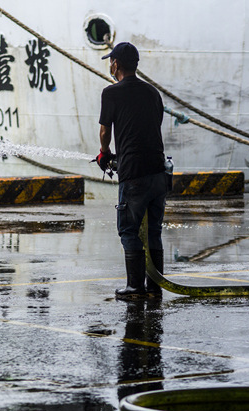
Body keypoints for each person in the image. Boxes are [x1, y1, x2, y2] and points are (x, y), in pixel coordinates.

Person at [97, 42, 167, 300]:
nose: (110, 65)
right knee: (153, 230)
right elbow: (154, 125)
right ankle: (155, 285)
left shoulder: (111, 93)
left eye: (111, 61)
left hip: (133, 173)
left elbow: (105, 130)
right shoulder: (152, 93)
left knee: (129, 229)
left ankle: (135, 287)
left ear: (116, 64)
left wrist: (104, 153)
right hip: (159, 171)